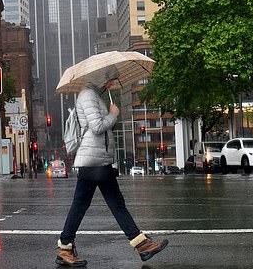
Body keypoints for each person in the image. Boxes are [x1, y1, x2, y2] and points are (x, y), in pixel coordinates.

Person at [55, 78, 168, 267]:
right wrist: (113, 114)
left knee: (85, 204)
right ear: (97, 77)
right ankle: (142, 245)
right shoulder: (88, 95)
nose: (110, 82)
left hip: (97, 159)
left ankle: (65, 248)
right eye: (108, 79)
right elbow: (97, 127)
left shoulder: (94, 95)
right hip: (94, 160)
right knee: (114, 204)